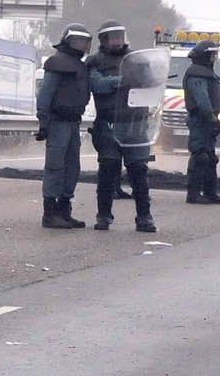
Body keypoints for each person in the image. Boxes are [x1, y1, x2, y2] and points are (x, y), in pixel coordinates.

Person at [85, 21, 156, 234]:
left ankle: (144, 217)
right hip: (108, 124)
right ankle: (103, 216)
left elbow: (151, 82)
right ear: (104, 40)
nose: (117, 41)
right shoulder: (95, 61)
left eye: (120, 36)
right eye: (112, 37)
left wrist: (144, 80)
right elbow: (96, 84)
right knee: (107, 170)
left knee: (139, 172)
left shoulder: (137, 59)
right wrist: (122, 80)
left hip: (135, 124)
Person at [34, 22, 92, 229]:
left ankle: (64, 210)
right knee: (55, 167)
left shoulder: (80, 65)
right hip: (58, 122)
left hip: (73, 122)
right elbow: (46, 94)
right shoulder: (56, 63)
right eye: (78, 41)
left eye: (85, 42)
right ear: (67, 41)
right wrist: (43, 121)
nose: (82, 46)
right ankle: (49, 213)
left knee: (72, 168)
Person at [181, 44, 220, 204]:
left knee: (210, 157)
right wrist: (212, 118)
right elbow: (202, 100)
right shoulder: (197, 74)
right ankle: (193, 194)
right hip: (200, 119)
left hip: (207, 119)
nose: (215, 58)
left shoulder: (206, 73)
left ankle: (210, 192)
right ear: (204, 56)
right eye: (212, 55)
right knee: (200, 155)